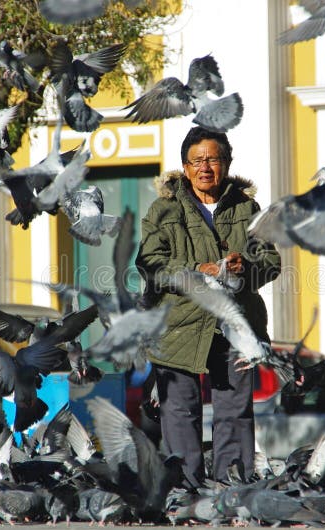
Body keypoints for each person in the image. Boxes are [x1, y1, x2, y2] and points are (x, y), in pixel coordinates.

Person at [135, 126, 281, 489]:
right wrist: (193, 272)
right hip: (178, 326)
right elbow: (149, 262)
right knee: (179, 412)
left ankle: (232, 492)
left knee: (235, 413)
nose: (205, 167)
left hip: (235, 328)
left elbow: (271, 261)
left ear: (227, 164)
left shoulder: (247, 208)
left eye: (213, 159)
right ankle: (185, 494)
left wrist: (244, 267)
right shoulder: (164, 208)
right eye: (197, 160)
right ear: (185, 168)